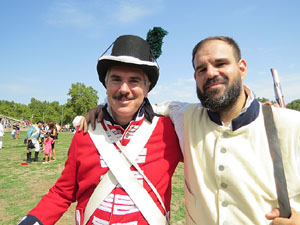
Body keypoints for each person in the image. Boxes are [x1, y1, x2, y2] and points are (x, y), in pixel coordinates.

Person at [82, 36, 300, 224]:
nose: (211, 73)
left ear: (242, 68)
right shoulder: (182, 116)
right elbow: (135, 104)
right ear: (195, 78)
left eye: (221, 63)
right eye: (201, 69)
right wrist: (104, 108)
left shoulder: (291, 124)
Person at [18, 34, 182, 225]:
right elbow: (63, 192)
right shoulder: (85, 132)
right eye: (116, 79)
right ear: (106, 85)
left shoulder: (169, 131)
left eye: (134, 81)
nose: (124, 88)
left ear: (147, 88)